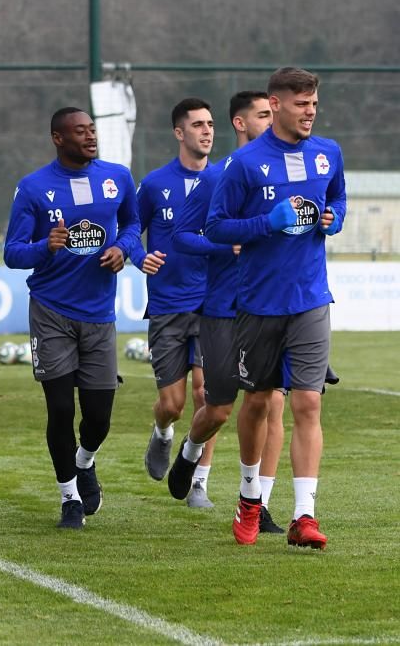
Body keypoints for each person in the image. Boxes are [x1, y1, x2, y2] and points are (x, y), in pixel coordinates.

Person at [206, 67, 345, 549]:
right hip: (260, 304)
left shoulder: (328, 154)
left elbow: (338, 200)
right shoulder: (244, 165)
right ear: (276, 103)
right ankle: (249, 498)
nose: (310, 111)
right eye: (301, 103)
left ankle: (303, 515)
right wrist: (267, 222)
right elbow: (217, 228)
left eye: (314, 103)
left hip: (310, 298)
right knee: (260, 402)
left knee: (308, 402)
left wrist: (333, 219)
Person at [4, 107, 141, 529]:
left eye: (92, 130)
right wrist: (46, 245)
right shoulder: (32, 188)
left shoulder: (117, 177)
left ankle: (85, 461)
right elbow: (12, 253)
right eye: (79, 131)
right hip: (51, 312)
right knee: (61, 409)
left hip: (99, 314)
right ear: (57, 139)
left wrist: (124, 249)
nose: (90, 136)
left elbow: (133, 224)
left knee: (98, 416)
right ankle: (69, 499)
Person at [168, 91, 289, 531]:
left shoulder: (286, 173)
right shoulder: (217, 178)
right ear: (240, 124)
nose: (271, 120)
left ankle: (259, 504)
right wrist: (225, 243)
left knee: (271, 405)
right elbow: (181, 235)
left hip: (273, 306)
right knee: (218, 408)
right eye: (263, 114)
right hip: (223, 310)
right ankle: (189, 450)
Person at [129, 98, 214, 506]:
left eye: (210, 124)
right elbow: (128, 229)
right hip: (166, 306)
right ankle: (162, 433)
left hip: (213, 304)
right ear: (180, 132)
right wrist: (137, 255)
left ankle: (198, 480)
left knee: (207, 396)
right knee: (174, 404)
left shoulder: (224, 181)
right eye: (197, 124)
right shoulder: (155, 184)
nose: (207, 131)